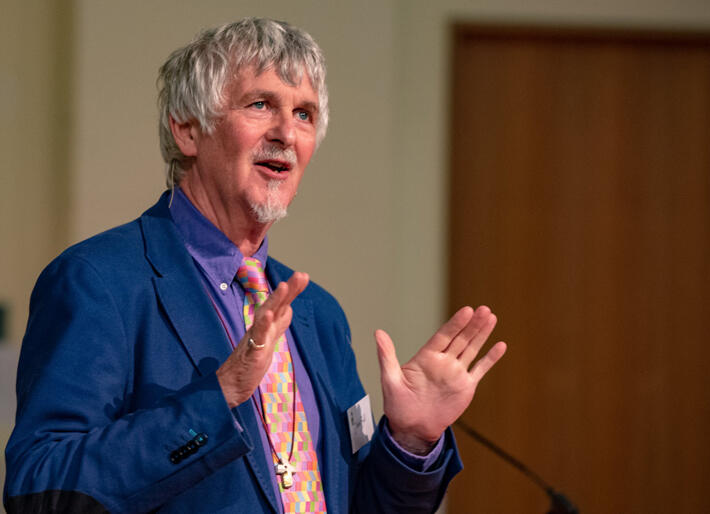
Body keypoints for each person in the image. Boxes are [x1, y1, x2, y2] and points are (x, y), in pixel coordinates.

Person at [4, 18, 506, 514]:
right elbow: (40, 488)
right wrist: (217, 398)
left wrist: (411, 439)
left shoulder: (317, 314)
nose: (286, 132)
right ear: (187, 130)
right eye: (261, 104)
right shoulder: (100, 281)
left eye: (305, 114)